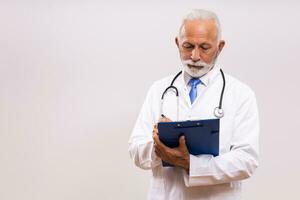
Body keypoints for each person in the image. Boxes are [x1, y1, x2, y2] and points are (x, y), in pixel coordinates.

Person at [128, 9, 259, 200]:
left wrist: (192, 164)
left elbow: (247, 161)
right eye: (188, 46)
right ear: (177, 43)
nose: (195, 56)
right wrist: (158, 147)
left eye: (204, 47)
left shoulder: (241, 94)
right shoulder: (159, 90)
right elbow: (136, 151)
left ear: (220, 47)